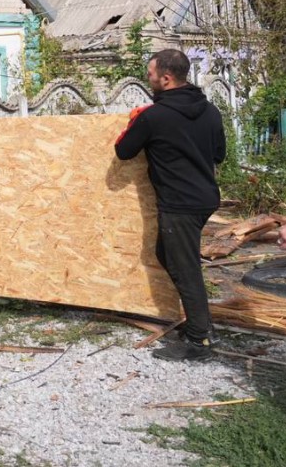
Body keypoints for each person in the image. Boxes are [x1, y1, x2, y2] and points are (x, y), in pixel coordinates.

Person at [115, 49, 226, 362]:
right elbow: (218, 155)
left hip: (179, 204)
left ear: (166, 78)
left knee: (184, 268)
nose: (148, 79)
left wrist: (135, 122)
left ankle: (199, 340)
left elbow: (124, 151)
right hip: (204, 199)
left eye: (150, 74)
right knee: (168, 255)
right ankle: (200, 322)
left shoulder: (153, 117)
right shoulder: (211, 111)